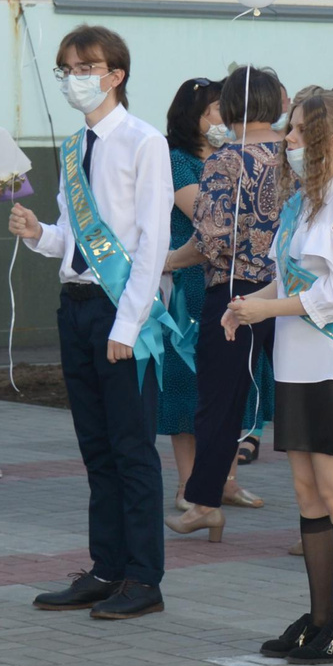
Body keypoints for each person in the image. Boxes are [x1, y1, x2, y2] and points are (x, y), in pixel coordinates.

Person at [223, 87, 333, 664]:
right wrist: (249, 301)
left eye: (299, 131)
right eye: (290, 130)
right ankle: (319, 617)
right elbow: (293, 280)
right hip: (301, 363)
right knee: (307, 491)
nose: (289, 140)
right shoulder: (308, 202)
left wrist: (266, 310)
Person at [9, 27, 180, 621]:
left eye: (85, 67)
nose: (74, 78)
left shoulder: (143, 141)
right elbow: (73, 238)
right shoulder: (71, 147)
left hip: (120, 310)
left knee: (133, 449)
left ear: (116, 74)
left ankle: (143, 578)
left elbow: (153, 243)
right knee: (96, 449)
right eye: (66, 69)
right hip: (76, 305)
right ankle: (106, 568)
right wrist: (38, 235)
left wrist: (128, 327)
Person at [172, 66, 285, 540]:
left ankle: (203, 501)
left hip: (233, 293)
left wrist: (166, 262)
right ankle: (317, 517)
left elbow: (211, 239)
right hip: (287, 292)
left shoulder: (226, 158)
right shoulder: (296, 152)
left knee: (218, 400)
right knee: (293, 402)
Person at [155, 78, 219, 508]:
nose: (223, 118)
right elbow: (206, 212)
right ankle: (185, 484)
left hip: (226, 280)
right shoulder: (177, 159)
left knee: (222, 383)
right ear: (192, 115)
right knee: (186, 381)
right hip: (187, 280)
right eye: (215, 109)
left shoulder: (227, 157)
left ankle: (221, 483)